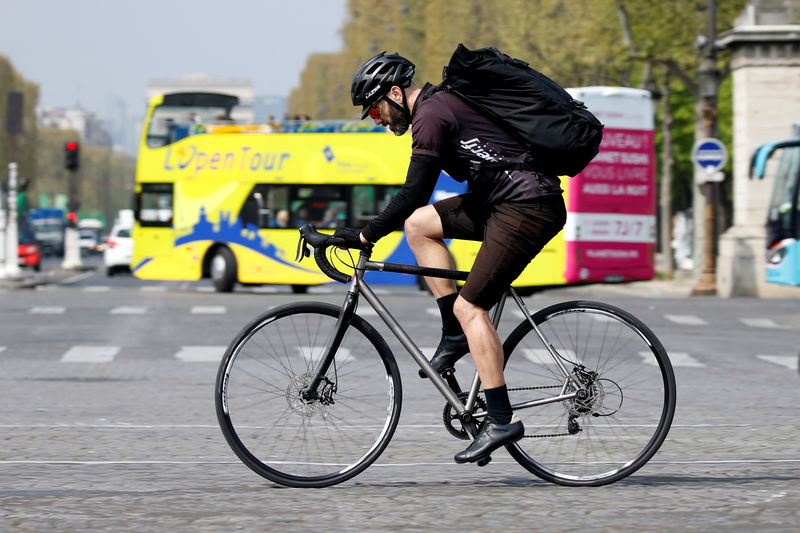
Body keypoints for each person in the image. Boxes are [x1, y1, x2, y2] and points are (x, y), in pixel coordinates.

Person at [334, 51, 567, 465]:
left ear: (393, 93)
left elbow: (413, 193)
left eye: (374, 109)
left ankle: (500, 420)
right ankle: (454, 334)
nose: (376, 119)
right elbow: (416, 209)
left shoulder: (432, 114)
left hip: (527, 206)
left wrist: (365, 234)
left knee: (471, 306)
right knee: (419, 226)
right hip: (498, 202)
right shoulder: (436, 107)